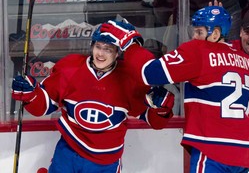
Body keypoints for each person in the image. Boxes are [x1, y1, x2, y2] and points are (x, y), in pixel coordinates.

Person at [100, 6, 249, 172]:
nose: (194, 37)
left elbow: (150, 73)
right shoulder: (247, 61)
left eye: (199, 32)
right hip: (245, 153)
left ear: (215, 34)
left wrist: (129, 42)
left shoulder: (199, 50)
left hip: (214, 149)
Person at [11, 24, 175, 173]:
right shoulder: (71, 68)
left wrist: (161, 109)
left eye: (108, 49)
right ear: (91, 46)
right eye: (98, 47)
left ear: (118, 53)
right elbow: (43, 106)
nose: (101, 54)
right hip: (69, 151)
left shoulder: (128, 79)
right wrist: (31, 95)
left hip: (105, 162)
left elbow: (154, 121)